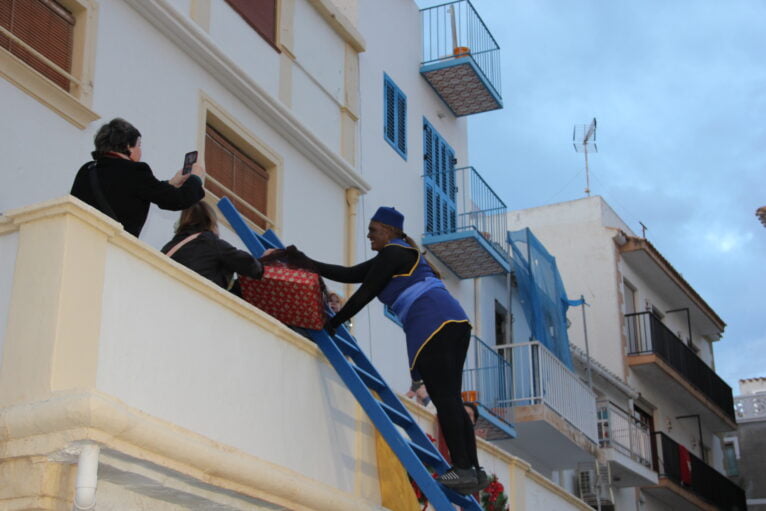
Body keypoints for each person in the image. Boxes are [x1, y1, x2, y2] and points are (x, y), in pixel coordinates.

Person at [304, 206, 488, 494]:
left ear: (389, 231)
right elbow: (351, 274)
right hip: (454, 321)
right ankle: (474, 471)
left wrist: (334, 323)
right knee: (451, 398)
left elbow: (365, 293)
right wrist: (307, 262)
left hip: (433, 321)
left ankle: (463, 469)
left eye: (373, 230)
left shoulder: (393, 253)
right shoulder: (396, 255)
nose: (368, 235)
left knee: (444, 399)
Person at [71, 118, 205, 237]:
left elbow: (138, 190)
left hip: (80, 240)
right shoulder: (135, 171)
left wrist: (171, 183)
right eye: (139, 145)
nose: (140, 151)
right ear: (128, 146)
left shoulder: (87, 169)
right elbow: (177, 200)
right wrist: (196, 178)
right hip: (112, 249)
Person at [161, 201, 263, 292]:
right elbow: (249, 265)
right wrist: (265, 262)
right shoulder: (210, 242)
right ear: (211, 221)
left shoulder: (169, 246)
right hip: (197, 298)